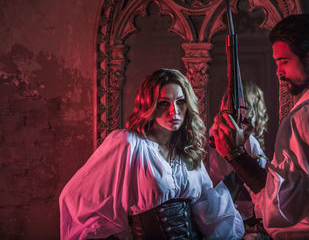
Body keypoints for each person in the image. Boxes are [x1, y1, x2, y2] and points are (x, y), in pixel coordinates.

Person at [212, 14, 309, 239]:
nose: (278, 71)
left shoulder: (303, 118)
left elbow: (279, 209)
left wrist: (237, 155)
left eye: (284, 61)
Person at [59, 68, 245, 239]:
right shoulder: (128, 144)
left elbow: (209, 213)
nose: (175, 111)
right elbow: (76, 198)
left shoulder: (187, 152)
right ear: (150, 105)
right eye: (164, 103)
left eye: (180, 102)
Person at [208, 81, 269, 236]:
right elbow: (262, 189)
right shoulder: (247, 142)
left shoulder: (213, 133)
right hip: (236, 217)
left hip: (219, 214)